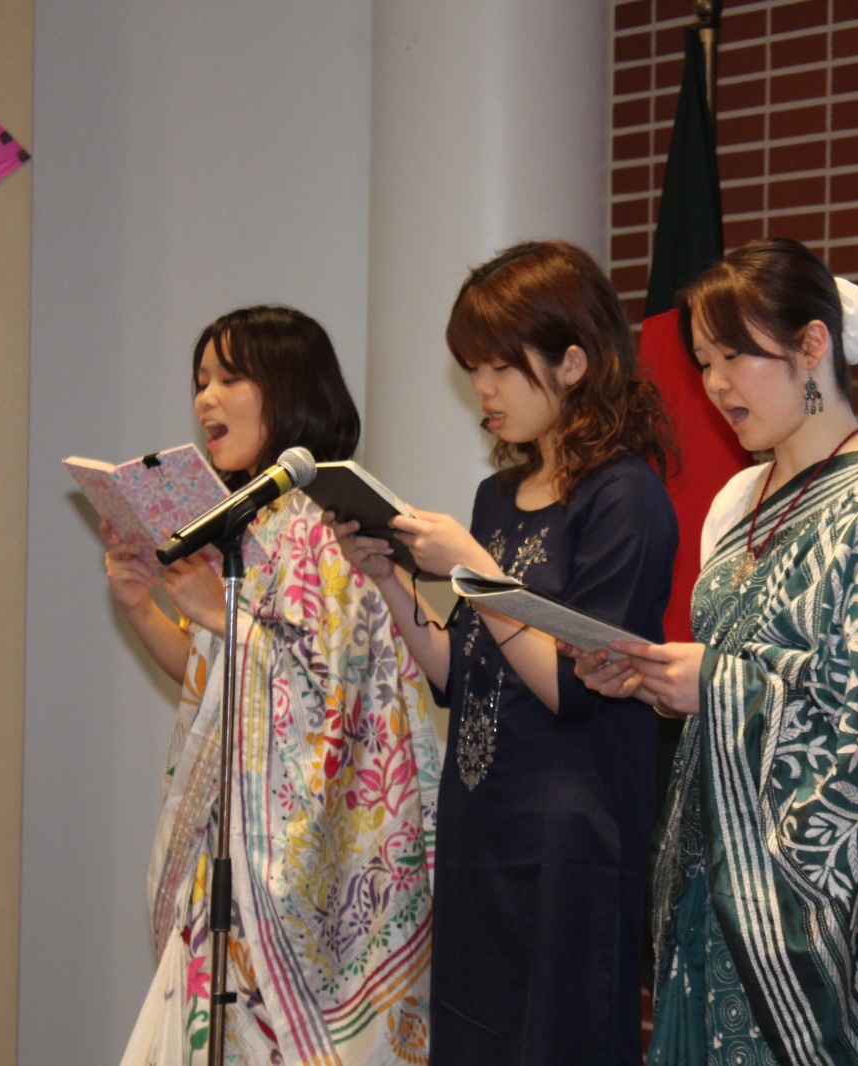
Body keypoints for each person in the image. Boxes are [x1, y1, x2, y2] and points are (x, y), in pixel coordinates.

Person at [566, 237, 858, 1066]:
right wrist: (655, 681)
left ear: (811, 347)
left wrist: (721, 685)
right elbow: (746, 667)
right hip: (713, 879)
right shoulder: (748, 500)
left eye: (736, 356)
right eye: (703, 361)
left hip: (798, 913)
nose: (716, 384)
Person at [328, 239, 678, 1065]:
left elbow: (573, 687)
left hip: (572, 839)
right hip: (483, 820)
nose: (481, 389)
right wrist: (389, 580)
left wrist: (476, 574)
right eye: (471, 368)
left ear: (572, 362)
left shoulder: (626, 494)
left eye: (498, 367)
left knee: (557, 1042)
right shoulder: (497, 496)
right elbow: (464, 675)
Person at [108, 306, 441, 1064]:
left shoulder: (329, 523)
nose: (205, 399)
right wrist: (143, 604)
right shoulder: (243, 525)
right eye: (199, 381)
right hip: (231, 863)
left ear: (290, 389)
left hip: (298, 883)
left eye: (230, 377)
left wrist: (230, 627)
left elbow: (343, 701)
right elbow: (212, 684)